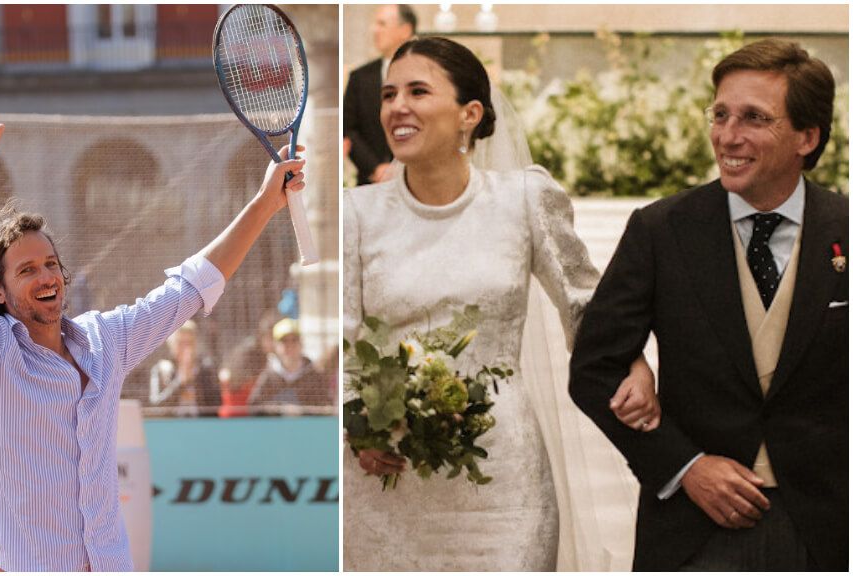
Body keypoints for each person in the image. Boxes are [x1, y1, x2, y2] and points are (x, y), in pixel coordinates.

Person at [0, 84, 306, 571]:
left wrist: (266, 202)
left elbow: (190, 287)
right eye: (27, 270)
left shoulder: (105, 340)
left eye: (51, 264)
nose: (47, 276)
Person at [342, 37, 659, 570]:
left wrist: (632, 362)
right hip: (387, 478)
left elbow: (585, 304)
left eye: (418, 91)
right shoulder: (357, 212)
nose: (397, 107)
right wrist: (358, 427)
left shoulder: (523, 199)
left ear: (470, 114)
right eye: (389, 94)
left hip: (504, 483)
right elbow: (345, 339)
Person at [569, 39, 847, 571]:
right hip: (693, 532)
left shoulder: (845, 230)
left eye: (754, 118)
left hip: (829, 531)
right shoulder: (661, 230)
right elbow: (593, 368)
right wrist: (686, 467)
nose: (727, 136)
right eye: (720, 115)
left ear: (807, 137)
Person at [343, 4, 416, 185]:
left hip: (416, 178)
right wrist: (375, 168)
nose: (374, 30)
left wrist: (403, 169)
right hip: (370, 181)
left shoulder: (425, 72)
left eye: (382, 24)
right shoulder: (360, 77)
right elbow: (348, 129)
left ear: (405, 30)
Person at [248, 318, 329, 414]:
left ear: (301, 343)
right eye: (284, 341)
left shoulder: (314, 375)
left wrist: (302, 411)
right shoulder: (269, 376)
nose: (290, 346)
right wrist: (280, 409)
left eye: (294, 340)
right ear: (276, 345)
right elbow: (254, 406)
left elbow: (326, 406)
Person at [148, 320, 220, 417]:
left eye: (189, 343)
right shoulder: (161, 369)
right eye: (180, 343)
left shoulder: (206, 367)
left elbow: (216, 404)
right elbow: (155, 405)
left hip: (201, 422)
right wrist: (180, 382)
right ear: (171, 344)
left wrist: (196, 385)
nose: (186, 349)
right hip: (172, 424)